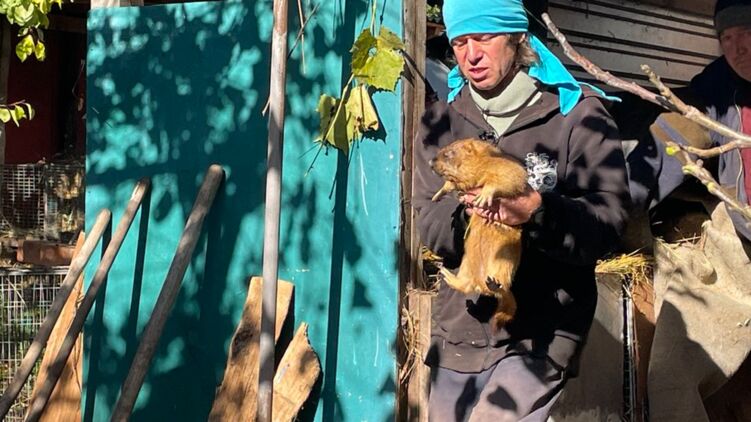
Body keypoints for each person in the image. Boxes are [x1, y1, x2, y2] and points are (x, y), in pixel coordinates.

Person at [411, 0, 631, 420]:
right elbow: (428, 221)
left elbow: (608, 223)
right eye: (459, 42)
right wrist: (469, 216)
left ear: (518, 38)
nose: (471, 55)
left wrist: (537, 212)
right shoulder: (442, 122)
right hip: (461, 330)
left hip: (543, 329)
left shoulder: (577, 117)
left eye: (484, 38)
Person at [627, 1, 751, 420]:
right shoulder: (719, 86)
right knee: (671, 376)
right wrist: (619, 204)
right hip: (743, 251)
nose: (736, 48)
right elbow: (675, 130)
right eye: (726, 38)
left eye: (746, 34)